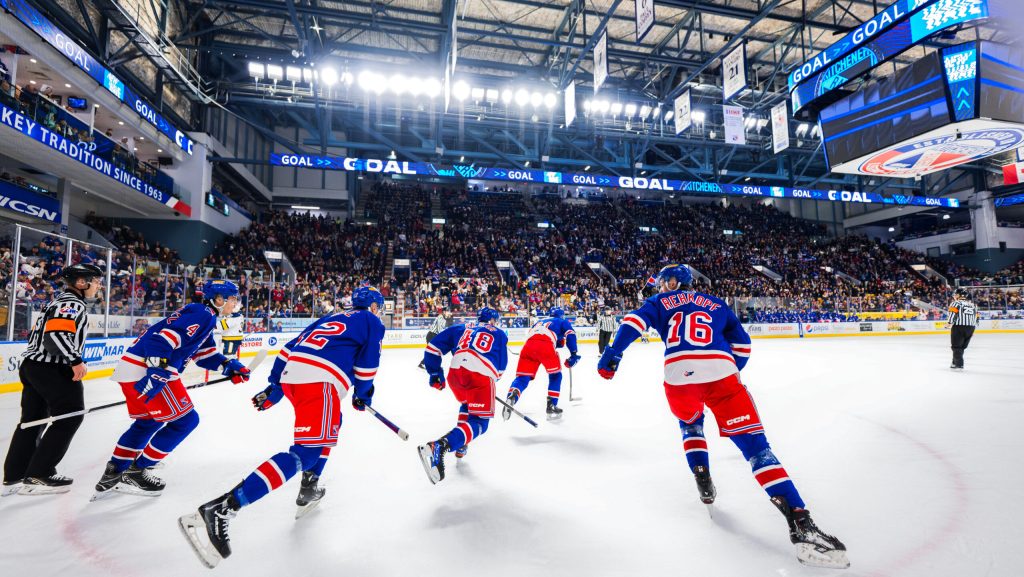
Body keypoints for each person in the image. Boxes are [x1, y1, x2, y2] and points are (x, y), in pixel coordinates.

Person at [596, 265, 848, 570]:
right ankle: (801, 524)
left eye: (666, 282)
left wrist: (614, 354)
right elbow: (742, 345)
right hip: (722, 371)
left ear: (677, 282)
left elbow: (633, 323)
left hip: (679, 374)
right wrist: (726, 370)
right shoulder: (716, 303)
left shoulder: (658, 303)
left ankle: (702, 476)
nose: (662, 287)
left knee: (690, 422)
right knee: (758, 451)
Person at [178, 286, 386, 568]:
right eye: (379, 308)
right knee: (306, 453)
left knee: (331, 424)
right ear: (374, 306)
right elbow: (367, 366)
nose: (379, 313)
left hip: (294, 377)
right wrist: (364, 394)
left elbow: (288, 349)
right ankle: (223, 508)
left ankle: (309, 488)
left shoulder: (329, 318)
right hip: (321, 380)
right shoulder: (371, 321)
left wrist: (275, 388)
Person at [92, 280, 252, 499]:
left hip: (130, 368)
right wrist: (157, 370)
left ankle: (115, 471)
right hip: (147, 368)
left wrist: (228, 366)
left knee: (147, 422)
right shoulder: (203, 314)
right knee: (187, 421)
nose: (235, 303)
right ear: (218, 299)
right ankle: (138, 471)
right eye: (232, 298)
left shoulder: (203, 315)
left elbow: (204, 355)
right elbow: (163, 338)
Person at [3, 263, 103, 496]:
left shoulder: (57, 301)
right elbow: (55, 336)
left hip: (34, 366)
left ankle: (16, 474)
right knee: (71, 415)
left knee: (32, 420)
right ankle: (40, 472)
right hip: (52, 368)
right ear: (81, 282)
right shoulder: (71, 303)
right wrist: (75, 360)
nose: (98, 285)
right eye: (96, 281)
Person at [418, 307, 507, 481]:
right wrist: (488, 384)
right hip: (480, 374)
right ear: (493, 321)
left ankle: (461, 444)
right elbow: (501, 368)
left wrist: (435, 373)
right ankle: (441, 445)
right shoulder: (500, 333)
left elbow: (432, 348)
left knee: (467, 404)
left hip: (455, 372)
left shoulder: (461, 328)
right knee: (480, 422)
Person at [502, 306, 580, 421]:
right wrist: (574, 353)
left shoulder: (540, 321)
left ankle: (512, 395)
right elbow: (570, 335)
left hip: (528, 346)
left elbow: (538, 336)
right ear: (561, 315)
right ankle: (551, 405)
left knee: (523, 377)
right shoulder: (562, 321)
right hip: (545, 345)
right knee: (555, 375)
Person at [945, 288, 979, 370]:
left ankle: (959, 364)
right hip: (971, 327)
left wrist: (949, 323)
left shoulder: (955, 303)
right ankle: (954, 362)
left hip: (959, 326)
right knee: (961, 347)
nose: (954, 296)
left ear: (959, 295)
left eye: (955, 294)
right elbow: (976, 317)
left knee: (956, 347)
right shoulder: (972, 305)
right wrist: (973, 329)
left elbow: (953, 313)